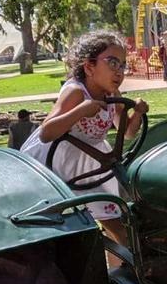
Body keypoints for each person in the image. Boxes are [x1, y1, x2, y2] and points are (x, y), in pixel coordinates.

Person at [21, 31, 147, 249]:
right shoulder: (76, 92)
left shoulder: (112, 93)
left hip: (92, 165)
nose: (119, 71)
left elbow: (126, 132)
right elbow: (46, 132)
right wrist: (80, 111)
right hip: (58, 163)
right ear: (89, 67)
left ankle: (121, 271)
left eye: (123, 65)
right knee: (92, 226)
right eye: (112, 63)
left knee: (118, 225)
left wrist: (137, 113)